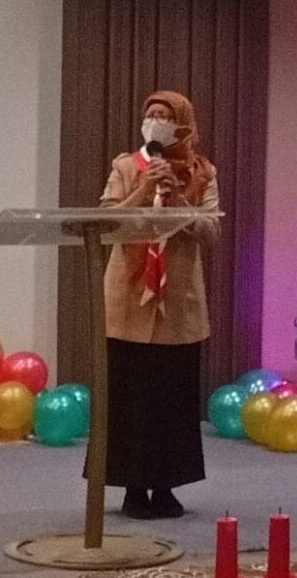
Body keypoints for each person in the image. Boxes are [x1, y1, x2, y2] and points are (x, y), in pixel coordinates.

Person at [94, 90, 220, 518]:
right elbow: (107, 223)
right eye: (151, 115)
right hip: (128, 301)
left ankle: (166, 487)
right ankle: (132, 489)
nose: (156, 122)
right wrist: (143, 189)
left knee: (171, 399)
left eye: (166, 116)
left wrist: (179, 199)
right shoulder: (125, 167)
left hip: (177, 305)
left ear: (182, 126)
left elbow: (211, 232)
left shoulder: (203, 172)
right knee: (130, 397)